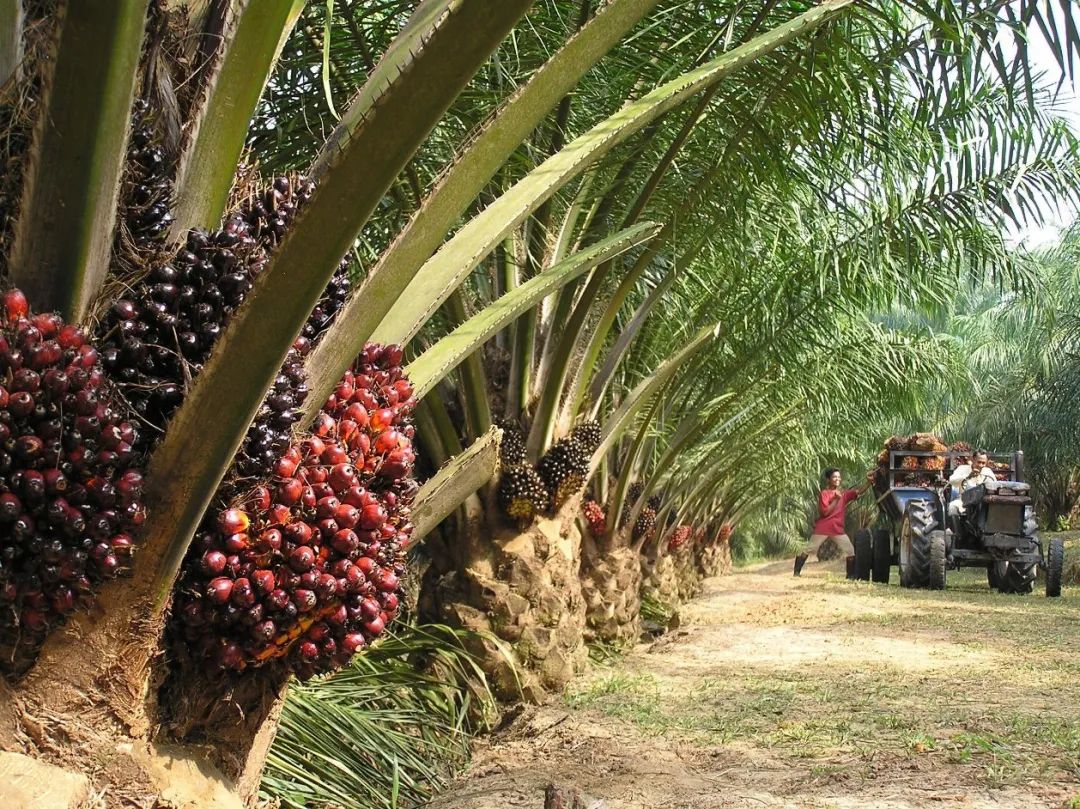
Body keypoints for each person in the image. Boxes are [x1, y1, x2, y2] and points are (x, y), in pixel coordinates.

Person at [794, 468, 873, 578]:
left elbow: (858, 491)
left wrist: (869, 482)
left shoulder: (843, 494)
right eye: (835, 477)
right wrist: (836, 499)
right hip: (824, 528)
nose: (838, 479)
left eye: (839, 477)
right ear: (828, 479)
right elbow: (825, 512)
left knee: (850, 551)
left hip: (837, 529)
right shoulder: (824, 494)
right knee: (809, 549)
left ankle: (849, 576)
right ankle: (796, 572)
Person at [946, 449, 997, 531]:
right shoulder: (962, 469)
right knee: (952, 507)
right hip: (964, 501)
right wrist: (968, 476)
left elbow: (995, 486)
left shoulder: (988, 472)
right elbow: (952, 481)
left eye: (983, 463)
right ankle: (958, 534)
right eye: (979, 462)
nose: (980, 465)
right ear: (973, 460)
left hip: (983, 502)